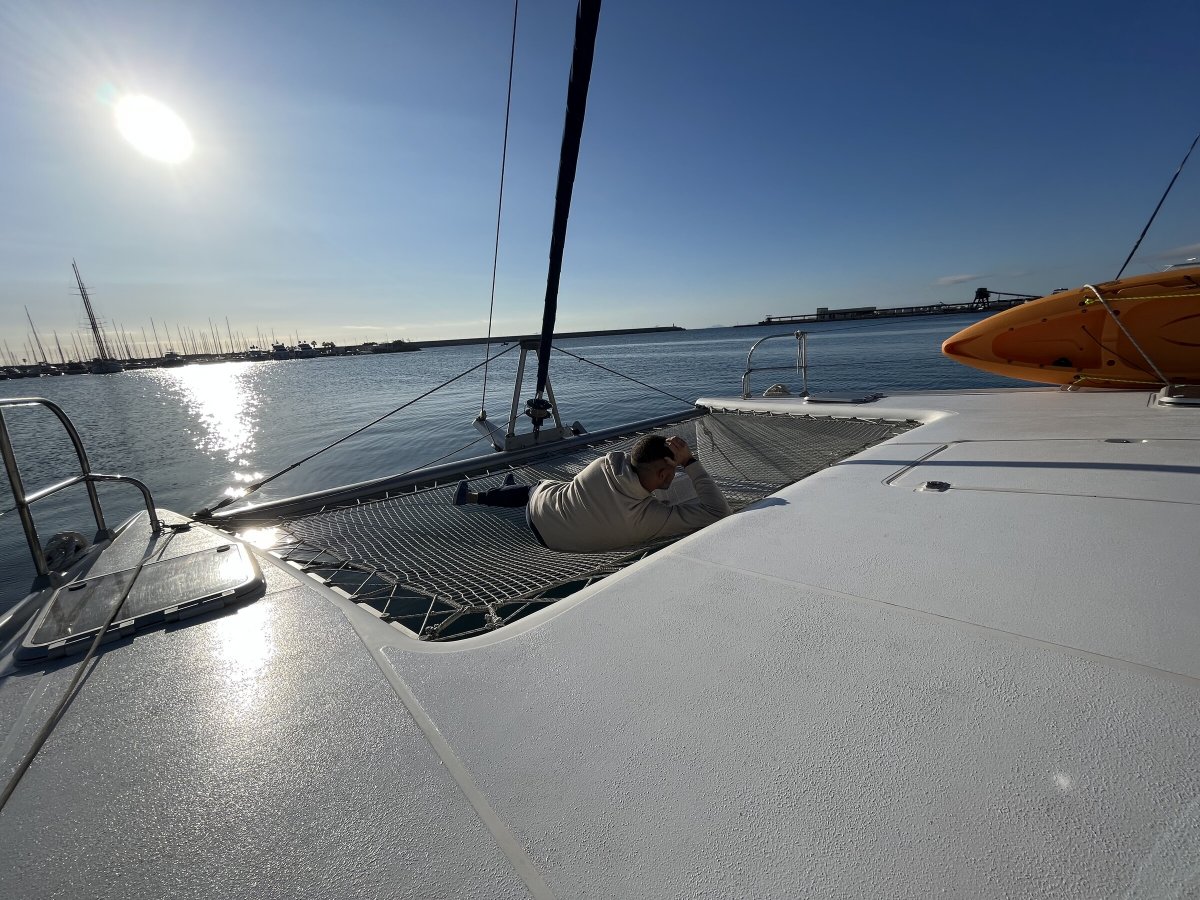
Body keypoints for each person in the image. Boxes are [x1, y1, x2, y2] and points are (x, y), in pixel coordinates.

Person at [453, 434, 731, 553]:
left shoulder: (603, 465)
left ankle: (475, 496)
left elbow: (632, 458)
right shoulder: (650, 518)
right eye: (675, 469)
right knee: (534, 489)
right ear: (662, 475)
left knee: (534, 489)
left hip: (542, 512)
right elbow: (719, 512)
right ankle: (496, 492)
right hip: (554, 543)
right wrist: (690, 462)